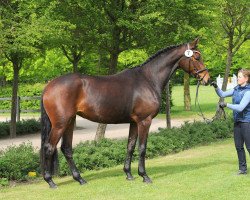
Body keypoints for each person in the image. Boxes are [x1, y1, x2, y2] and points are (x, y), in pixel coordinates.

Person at [211, 68, 250, 175]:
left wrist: (227, 105)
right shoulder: (236, 89)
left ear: (246, 78)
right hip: (237, 121)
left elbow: (241, 107)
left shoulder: (248, 92)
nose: (238, 78)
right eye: (238, 76)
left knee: (249, 147)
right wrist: (216, 86)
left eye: (240, 77)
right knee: (238, 146)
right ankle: (243, 169)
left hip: (247, 122)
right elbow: (222, 94)